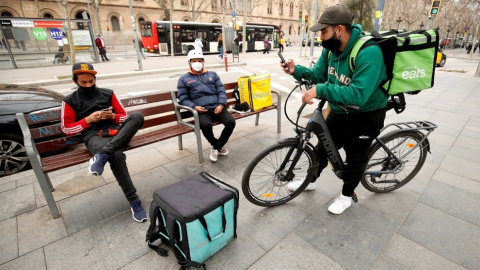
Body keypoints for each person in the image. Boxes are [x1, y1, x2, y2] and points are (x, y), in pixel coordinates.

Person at [281, 4, 388, 215]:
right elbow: (320, 74)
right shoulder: (331, 51)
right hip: (339, 112)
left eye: (324, 31)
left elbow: (358, 95)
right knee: (323, 148)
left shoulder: (369, 53)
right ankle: (310, 180)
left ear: (339, 29)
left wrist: (320, 90)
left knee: (355, 158)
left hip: (365, 115)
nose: (321, 36)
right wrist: (296, 71)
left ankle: (346, 196)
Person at [60, 62, 147, 222]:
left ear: (95, 79)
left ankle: (102, 156)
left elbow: (124, 116)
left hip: (116, 132)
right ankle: (134, 200)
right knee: (117, 156)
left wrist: (112, 116)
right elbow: (66, 129)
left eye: (91, 81)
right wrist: (87, 120)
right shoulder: (69, 101)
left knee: (138, 116)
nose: (88, 85)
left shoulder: (108, 93)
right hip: (93, 136)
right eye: (83, 82)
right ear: (75, 81)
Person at [177, 50, 236, 162]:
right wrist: (194, 107)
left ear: (203, 62)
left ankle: (216, 146)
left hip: (216, 106)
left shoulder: (212, 74)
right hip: (201, 109)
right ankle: (217, 145)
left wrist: (221, 104)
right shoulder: (184, 79)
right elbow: (183, 98)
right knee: (205, 125)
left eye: (199, 61)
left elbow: (221, 91)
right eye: (194, 61)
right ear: (189, 63)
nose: (197, 63)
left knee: (231, 122)